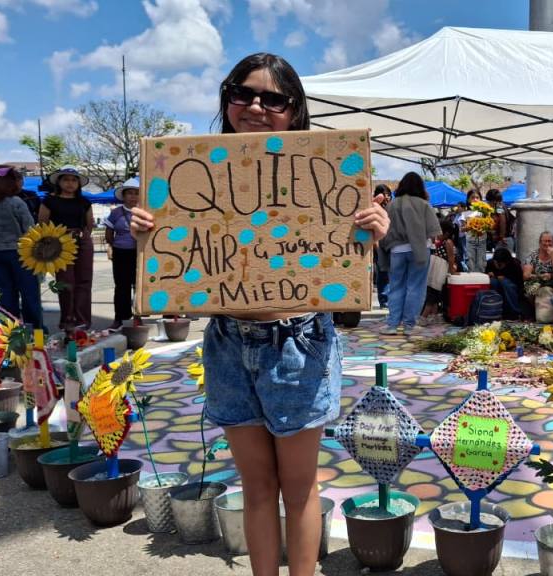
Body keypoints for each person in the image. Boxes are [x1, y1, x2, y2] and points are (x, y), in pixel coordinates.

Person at [129, 53, 390, 576]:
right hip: (228, 341)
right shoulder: (186, 172)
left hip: (298, 343)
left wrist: (373, 231)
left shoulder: (324, 167)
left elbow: (341, 262)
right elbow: (179, 272)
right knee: (255, 487)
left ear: (294, 111)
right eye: (242, 93)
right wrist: (148, 236)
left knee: (299, 488)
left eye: (273, 99)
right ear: (226, 98)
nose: (255, 106)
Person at [381, 172, 441, 335]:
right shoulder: (424, 205)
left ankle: (392, 325)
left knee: (396, 287)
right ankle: (409, 325)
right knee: (416, 287)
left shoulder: (392, 205)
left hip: (396, 250)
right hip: (420, 250)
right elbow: (434, 232)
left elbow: (385, 230)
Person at [40, 165, 94, 330]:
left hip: (82, 240)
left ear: (78, 184)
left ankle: (82, 320)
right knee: (65, 282)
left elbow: (89, 224)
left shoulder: (84, 202)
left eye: (73, 180)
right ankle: (67, 320)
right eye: (66, 180)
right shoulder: (49, 201)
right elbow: (42, 223)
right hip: (59, 242)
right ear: (59, 182)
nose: (70, 183)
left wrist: (82, 236)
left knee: (84, 280)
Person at [0, 165, 42, 327]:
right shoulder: (16, 202)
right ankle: (36, 332)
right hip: (20, 253)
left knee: (5, 296)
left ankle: (10, 332)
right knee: (29, 294)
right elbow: (30, 229)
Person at [104, 177, 141, 331]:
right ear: (123, 196)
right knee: (121, 286)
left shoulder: (144, 211)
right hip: (121, 254)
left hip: (139, 254)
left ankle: (138, 317)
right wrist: (114, 246)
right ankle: (120, 318)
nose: (133, 196)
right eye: (129, 193)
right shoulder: (116, 213)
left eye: (136, 193)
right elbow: (109, 233)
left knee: (138, 286)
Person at [420, 218, 457, 324]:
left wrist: (452, 272)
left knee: (433, 293)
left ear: (447, 233)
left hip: (440, 268)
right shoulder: (441, 241)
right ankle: (434, 315)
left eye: (439, 231)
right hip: (436, 267)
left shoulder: (448, 242)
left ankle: (423, 317)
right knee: (433, 292)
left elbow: (451, 259)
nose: (437, 234)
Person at [486, 247, 523, 319]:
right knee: (493, 282)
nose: (497, 265)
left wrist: (506, 278)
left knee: (505, 283)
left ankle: (516, 312)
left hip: (511, 287)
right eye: (496, 263)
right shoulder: (490, 263)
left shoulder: (514, 264)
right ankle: (494, 309)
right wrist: (489, 275)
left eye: (500, 264)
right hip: (497, 285)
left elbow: (519, 282)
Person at [372, 184, 392, 308]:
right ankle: (384, 301)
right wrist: (377, 247)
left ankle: (389, 300)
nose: (387, 197)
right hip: (379, 245)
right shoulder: (375, 208)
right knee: (383, 274)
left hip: (391, 245)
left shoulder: (390, 208)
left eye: (389, 194)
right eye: (385, 194)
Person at [462, 189, 486, 272]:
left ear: (480, 199)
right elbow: (462, 229)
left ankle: (481, 279)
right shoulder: (465, 214)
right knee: (470, 264)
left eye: (477, 197)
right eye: (472, 197)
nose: (475, 199)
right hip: (470, 242)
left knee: (481, 264)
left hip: (482, 241)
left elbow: (488, 226)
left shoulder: (484, 212)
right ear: (468, 200)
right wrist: (471, 226)